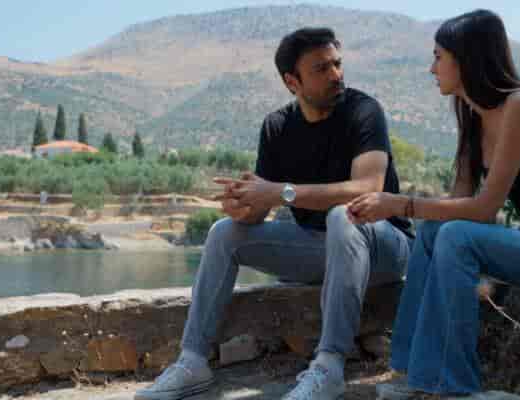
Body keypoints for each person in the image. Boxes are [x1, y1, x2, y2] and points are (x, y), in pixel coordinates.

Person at [344, 10, 520, 399]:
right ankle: (411, 371)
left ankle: (452, 385)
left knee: (457, 236)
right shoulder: (473, 117)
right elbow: (458, 204)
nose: (432, 68)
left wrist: (398, 204)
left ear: (467, 60)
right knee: (436, 231)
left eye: (438, 57)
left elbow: (483, 209)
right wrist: (399, 207)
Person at [135, 27, 413, 400]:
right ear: (291, 81)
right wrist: (243, 206)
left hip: (384, 247)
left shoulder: (364, 111)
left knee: (343, 216)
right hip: (322, 248)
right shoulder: (277, 127)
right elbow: (259, 210)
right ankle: (193, 361)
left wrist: (280, 192)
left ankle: (329, 366)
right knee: (223, 232)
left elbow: (369, 189)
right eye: (321, 69)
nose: (336, 75)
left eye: (337, 64)